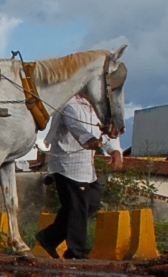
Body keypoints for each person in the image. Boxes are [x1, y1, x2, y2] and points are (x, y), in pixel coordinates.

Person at [36, 90, 123, 259]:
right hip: (67, 165)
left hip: (86, 167)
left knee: (92, 203)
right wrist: (88, 140)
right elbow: (75, 126)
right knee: (77, 208)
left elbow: (106, 131)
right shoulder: (69, 103)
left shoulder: (97, 108)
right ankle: (76, 252)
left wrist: (115, 151)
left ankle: (49, 237)